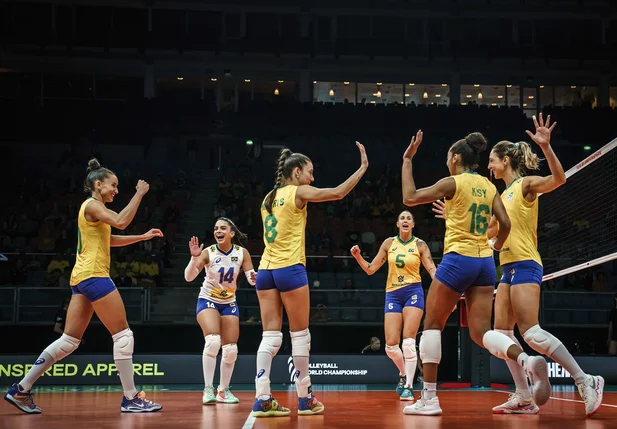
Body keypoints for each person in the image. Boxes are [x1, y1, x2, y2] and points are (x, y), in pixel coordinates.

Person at [399, 131, 549, 416]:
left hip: (458, 259)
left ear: (455, 158)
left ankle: (429, 399)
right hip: (485, 264)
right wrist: (498, 245)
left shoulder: (452, 182)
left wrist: (408, 159)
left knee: (432, 324)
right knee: (481, 333)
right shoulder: (488, 186)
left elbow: (409, 197)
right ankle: (526, 361)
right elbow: (504, 223)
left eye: (448, 157)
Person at [4, 158, 163, 414]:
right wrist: (140, 193)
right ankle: (131, 398)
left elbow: (110, 239)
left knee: (68, 341)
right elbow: (121, 221)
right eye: (113, 185)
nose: (116, 190)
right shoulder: (92, 205)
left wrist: (142, 237)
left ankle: (20, 389)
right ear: (98, 184)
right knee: (123, 335)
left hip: (81, 278)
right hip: (94, 276)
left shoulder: (93, 210)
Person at [480, 113, 601, 416]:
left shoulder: (524, 185)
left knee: (531, 333)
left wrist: (546, 147)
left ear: (506, 160)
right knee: (503, 335)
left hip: (526, 263)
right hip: (507, 268)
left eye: (492, 161)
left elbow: (559, 179)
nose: (489, 166)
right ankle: (523, 396)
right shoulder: (501, 195)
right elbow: (489, 232)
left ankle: (585, 379)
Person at [251, 143, 368, 417]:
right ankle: (305, 399)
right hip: (290, 269)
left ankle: (262, 398)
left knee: (269, 337)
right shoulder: (298, 191)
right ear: (296, 171)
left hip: (266, 270)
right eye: (310, 172)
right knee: (300, 337)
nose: (312, 179)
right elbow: (338, 193)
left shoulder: (267, 197)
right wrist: (362, 168)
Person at [351, 210, 437, 401]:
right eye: (402, 218)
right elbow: (371, 269)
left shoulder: (420, 245)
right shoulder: (389, 243)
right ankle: (404, 374)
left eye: (408, 218)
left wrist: (445, 292)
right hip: (393, 294)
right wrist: (358, 257)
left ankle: (408, 386)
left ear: (413, 224)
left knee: (408, 341)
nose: (405, 221)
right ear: (398, 224)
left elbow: (432, 270)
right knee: (390, 346)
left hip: (413, 292)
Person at [184, 217, 257, 405]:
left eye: (223, 228)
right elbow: (189, 277)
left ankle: (223, 391)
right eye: (216, 228)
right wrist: (194, 258)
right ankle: (208, 389)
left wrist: (256, 277)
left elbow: (251, 278)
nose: (218, 231)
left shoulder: (242, 253)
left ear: (231, 233)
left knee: (231, 350)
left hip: (229, 302)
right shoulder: (208, 252)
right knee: (213, 341)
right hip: (208, 300)